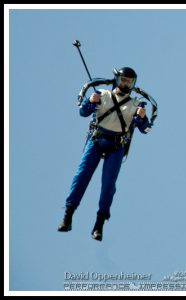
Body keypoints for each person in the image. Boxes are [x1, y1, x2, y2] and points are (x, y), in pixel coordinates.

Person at [58, 67, 151, 241]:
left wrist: (143, 117)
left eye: (130, 81)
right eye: (123, 80)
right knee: (81, 175)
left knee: (108, 185)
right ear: (117, 79)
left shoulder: (136, 104)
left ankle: (99, 224)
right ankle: (68, 215)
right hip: (96, 141)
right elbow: (83, 112)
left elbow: (145, 129)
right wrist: (90, 101)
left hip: (116, 147)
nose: (126, 84)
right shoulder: (102, 93)